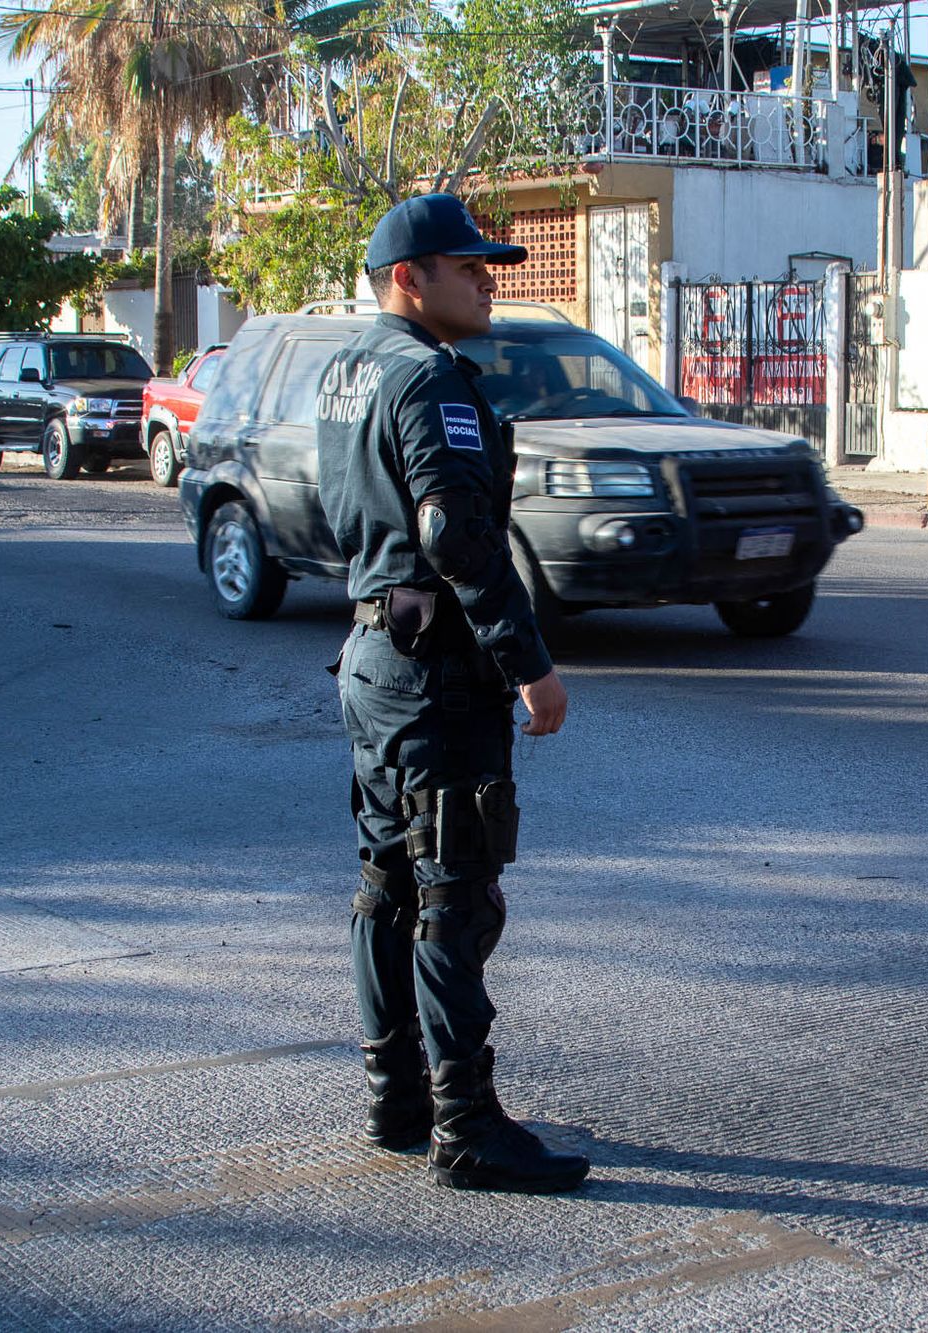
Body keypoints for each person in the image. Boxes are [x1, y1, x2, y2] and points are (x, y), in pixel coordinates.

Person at [315, 193, 589, 1195]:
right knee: (452, 894)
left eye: (488, 265)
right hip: (434, 674)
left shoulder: (347, 369)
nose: (487, 280)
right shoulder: (431, 379)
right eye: (467, 265)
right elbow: (454, 535)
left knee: (388, 883)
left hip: (372, 657)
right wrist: (527, 662)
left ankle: (398, 1099)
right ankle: (465, 1125)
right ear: (407, 278)